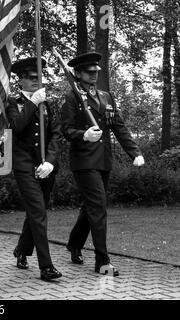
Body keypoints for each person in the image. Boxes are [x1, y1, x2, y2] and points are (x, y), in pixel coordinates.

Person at [61, 52, 145, 276]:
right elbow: (66, 130)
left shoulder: (106, 97)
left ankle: (74, 244)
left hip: (103, 160)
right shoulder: (72, 97)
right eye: (88, 72)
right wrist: (84, 134)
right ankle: (102, 261)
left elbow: (119, 126)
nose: (93, 75)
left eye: (95, 72)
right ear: (77, 74)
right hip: (84, 160)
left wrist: (134, 152)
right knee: (98, 206)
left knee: (91, 208)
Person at [5, 57, 63, 281]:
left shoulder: (47, 103)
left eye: (38, 77)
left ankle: (21, 250)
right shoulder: (13, 102)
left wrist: (49, 161)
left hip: (46, 166)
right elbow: (16, 127)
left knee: (36, 212)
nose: (36, 81)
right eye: (31, 77)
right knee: (38, 212)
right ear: (20, 80)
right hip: (24, 166)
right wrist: (31, 104)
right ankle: (46, 267)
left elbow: (56, 134)